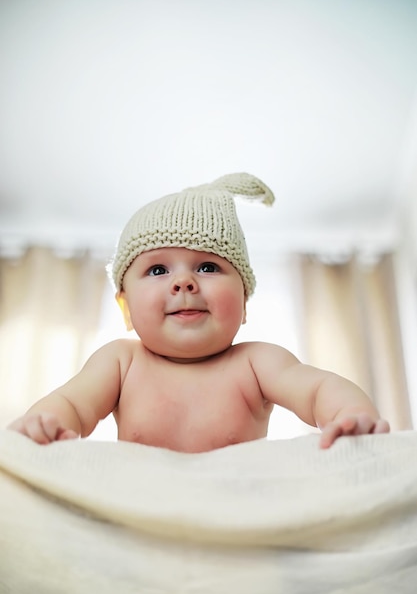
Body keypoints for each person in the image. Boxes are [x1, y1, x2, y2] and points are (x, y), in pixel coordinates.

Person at [7, 172, 390, 451]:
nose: (184, 282)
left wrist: (349, 414)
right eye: (158, 270)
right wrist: (48, 424)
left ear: (243, 304)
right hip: (142, 526)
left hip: (232, 527)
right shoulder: (122, 363)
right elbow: (73, 404)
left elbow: (319, 389)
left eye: (208, 267)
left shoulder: (256, 363)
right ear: (125, 306)